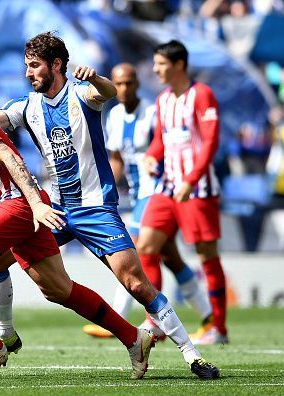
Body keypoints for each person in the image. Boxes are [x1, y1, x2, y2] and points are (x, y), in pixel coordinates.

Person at [0, 32, 219, 379]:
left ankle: (192, 355)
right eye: (26, 66)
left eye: (34, 66)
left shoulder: (83, 94)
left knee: (136, 284)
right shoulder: (25, 106)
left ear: (56, 65)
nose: (28, 73)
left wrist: (97, 77)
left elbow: (107, 93)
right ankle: (2, 338)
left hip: (96, 208)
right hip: (54, 210)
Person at [0, 69, 155, 379]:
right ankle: (133, 337)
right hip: (19, 206)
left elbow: (8, 155)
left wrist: (35, 204)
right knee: (59, 290)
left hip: (19, 204)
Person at [83, 63, 213, 339]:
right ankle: (208, 316)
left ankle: (125, 320)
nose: (124, 89)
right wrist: (104, 190)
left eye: (129, 83)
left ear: (137, 85)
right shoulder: (115, 116)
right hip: (138, 192)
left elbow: (169, 148)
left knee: (137, 251)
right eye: (118, 83)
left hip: (157, 192)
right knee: (171, 258)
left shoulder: (153, 114)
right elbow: (117, 159)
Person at [139, 40, 228, 345]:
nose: (156, 70)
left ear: (178, 65)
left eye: (161, 64)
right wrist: (151, 157)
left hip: (197, 189)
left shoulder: (202, 95)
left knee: (206, 255)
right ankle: (155, 322)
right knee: (146, 246)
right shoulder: (163, 100)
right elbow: (161, 141)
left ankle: (218, 328)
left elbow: (211, 141)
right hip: (167, 187)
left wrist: (191, 179)